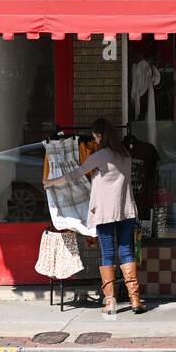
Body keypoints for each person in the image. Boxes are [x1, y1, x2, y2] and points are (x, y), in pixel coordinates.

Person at [44, 118, 145, 315]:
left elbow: (76, 174)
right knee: (126, 252)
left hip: (105, 212)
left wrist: (51, 182)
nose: (94, 139)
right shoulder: (125, 155)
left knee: (107, 254)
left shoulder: (100, 156)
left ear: (99, 135)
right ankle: (135, 300)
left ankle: (110, 302)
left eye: (95, 136)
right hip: (126, 211)